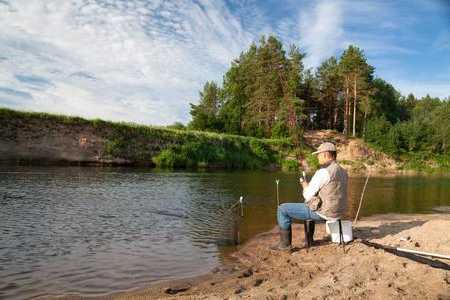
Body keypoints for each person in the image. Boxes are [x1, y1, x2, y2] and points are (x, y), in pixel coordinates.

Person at [271, 142, 348, 251]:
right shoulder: (343, 171)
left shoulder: (323, 172)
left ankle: (285, 246)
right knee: (311, 203)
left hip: (326, 213)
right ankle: (310, 240)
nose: (317, 157)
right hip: (339, 212)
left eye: (319, 155)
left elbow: (307, 195)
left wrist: (303, 184)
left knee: (282, 209)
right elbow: (332, 191)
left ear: (326, 154)